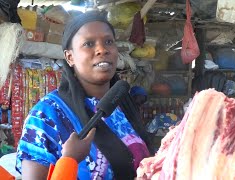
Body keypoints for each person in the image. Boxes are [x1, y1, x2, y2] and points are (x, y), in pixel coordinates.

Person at [16, 11, 150, 180]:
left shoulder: (122, 104)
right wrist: (69, 160)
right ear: (70, 57)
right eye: (89, 43)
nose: (102, 49)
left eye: (109, 42)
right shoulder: (46, 115)